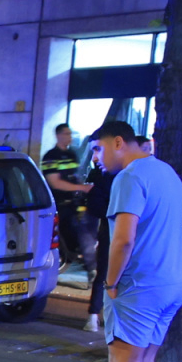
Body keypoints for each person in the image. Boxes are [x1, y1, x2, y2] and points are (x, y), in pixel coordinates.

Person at [78, 119, 182, 362]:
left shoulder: (129, 178)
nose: (96, 156)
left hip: (139, 285)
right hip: (171, 282)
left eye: (98, 148)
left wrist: (110, 282)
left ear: (117, 142)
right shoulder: (167, 172)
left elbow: (123, 239)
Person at [41, 123, 93, 267]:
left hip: (73, 202)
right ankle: (63, 260)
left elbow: (74, 176)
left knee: (76, 231)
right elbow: (55, 183)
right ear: (58, 135)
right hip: (58, 203)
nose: (69, 137)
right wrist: (82, 188)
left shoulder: (72, 155)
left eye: (70, 134)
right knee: (61, 233)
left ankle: (75, 256)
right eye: (66, 134)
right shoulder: (50, 156)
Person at [81, 138, 112, 328]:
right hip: (110, 231)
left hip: (113, 230)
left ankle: (96, 315)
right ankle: (94, 314)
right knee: (104, 274)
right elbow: (95, 205)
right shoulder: (103, 175)